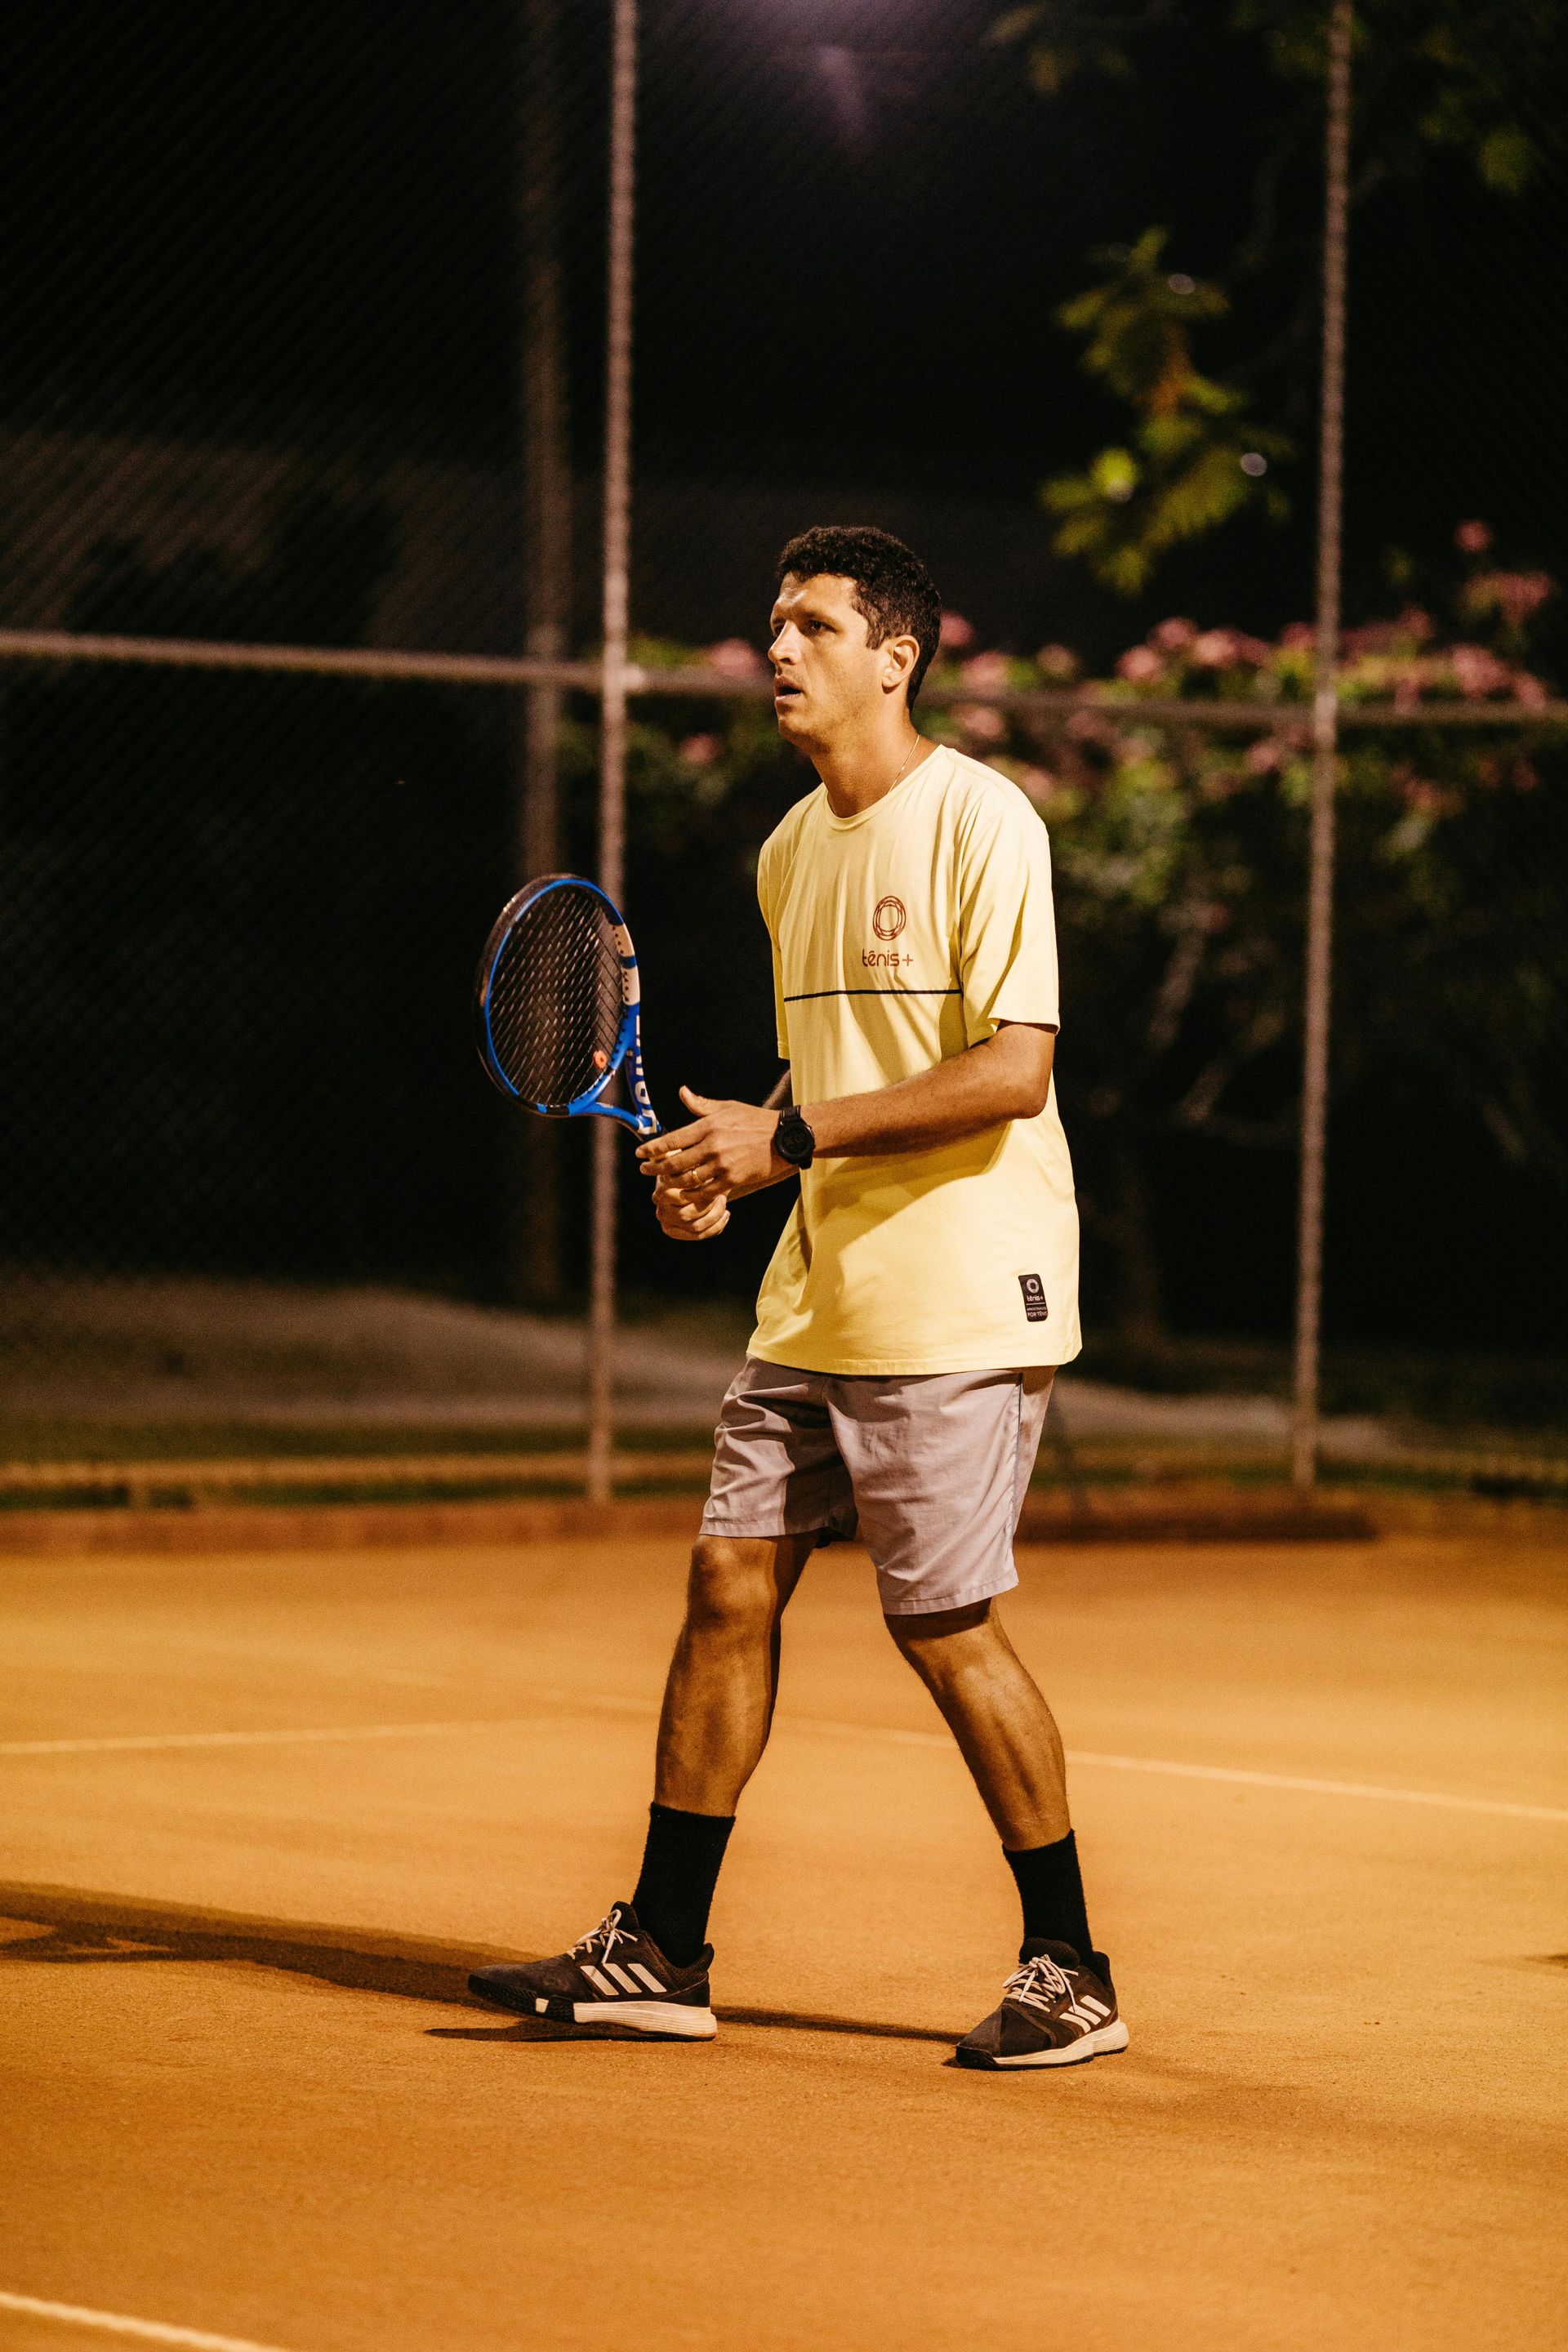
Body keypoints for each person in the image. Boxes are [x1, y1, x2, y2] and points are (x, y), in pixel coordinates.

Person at [470, 525, 1126, 2071]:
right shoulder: (789, 850)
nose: (778, 649)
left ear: (896, 657)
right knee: (727, 1582)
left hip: (960, 1291)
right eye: (775, 622)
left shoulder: (982, 820)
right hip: (821, 1289)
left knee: (942, 1625)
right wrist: (743, 1160)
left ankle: (1072, 1968)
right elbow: (820, 1080)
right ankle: (662, 1948)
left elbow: (1012, 1071)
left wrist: (795, 1138)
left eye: (814, 626)